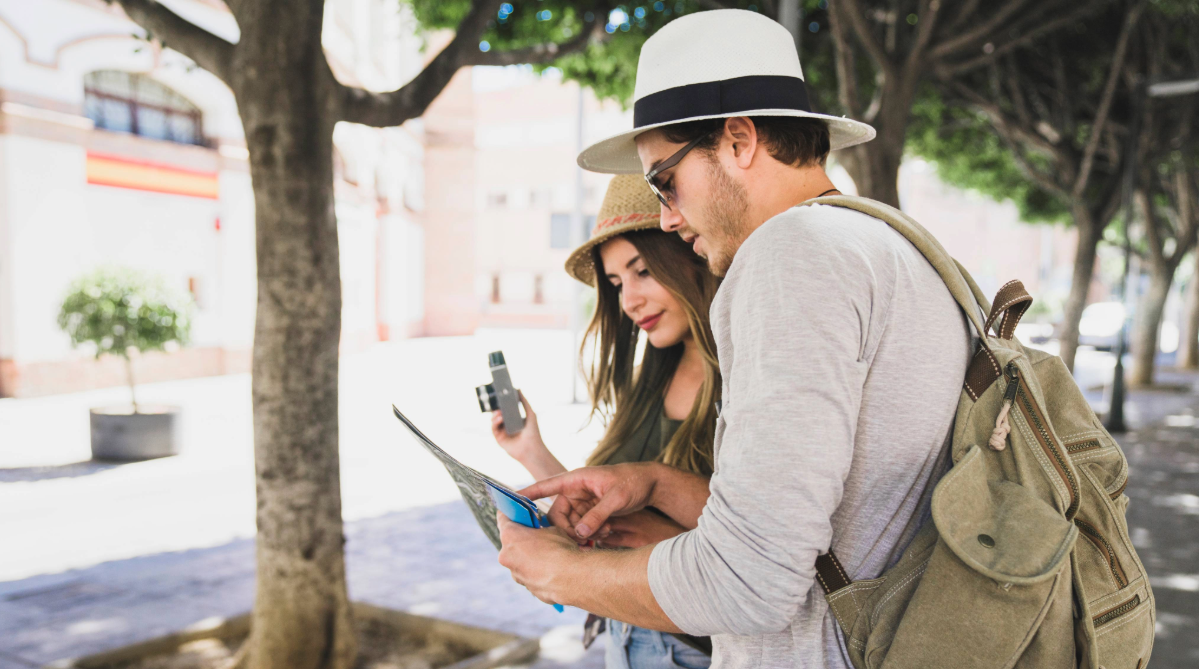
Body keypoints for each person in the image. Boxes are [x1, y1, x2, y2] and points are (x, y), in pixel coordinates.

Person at [495, 9, 973, 669]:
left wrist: (558, 573)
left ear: (740, 139)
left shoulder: (789, 250)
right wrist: (655, 481)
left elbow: (747, 581)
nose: (665, 215)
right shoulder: (893, 243)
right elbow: (827, 523)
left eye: (665, 179)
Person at [488, 174, 719, 669]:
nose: (628, 301)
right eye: (615, 284)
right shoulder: (651, 376)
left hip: (700, 647)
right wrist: (531, 449)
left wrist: (671, 545)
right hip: (626, 634)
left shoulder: (750, 380)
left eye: (641, 272)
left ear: (690, 254)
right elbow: (612, 497)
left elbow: (769, 537)